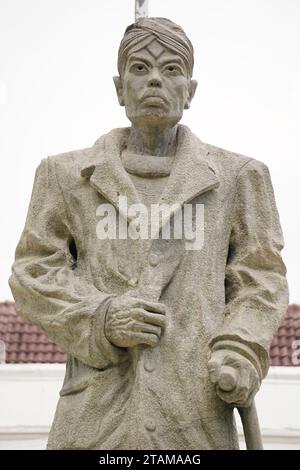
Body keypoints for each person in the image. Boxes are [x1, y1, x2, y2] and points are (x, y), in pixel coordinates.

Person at [9, 17, 288, 450]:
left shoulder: (240, 178)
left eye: (172, 69)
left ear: (190, 91)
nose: (155, 78)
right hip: (96, 419)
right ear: (120, 88)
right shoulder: (64, 177)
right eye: (140, 68)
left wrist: (241, 346)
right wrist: (101, 318)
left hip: (195, 415)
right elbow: (32, 273)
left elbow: (262, 279)